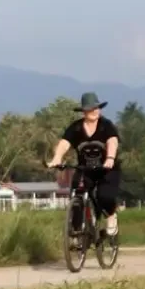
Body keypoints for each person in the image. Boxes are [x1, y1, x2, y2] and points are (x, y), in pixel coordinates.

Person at [46, 92, 121, 236]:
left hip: (106, 169)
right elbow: (64, 143)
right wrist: (57, 158)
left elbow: (112, 141)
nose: (95, 111)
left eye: (97, 108)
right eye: (91, 108)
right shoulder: (76, 128)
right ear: (84, 111)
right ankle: (77, 231)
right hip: (85, 169)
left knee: (105, 196)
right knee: (77, 193)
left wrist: (110, 158)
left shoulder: (106, 125)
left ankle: (111, 216)